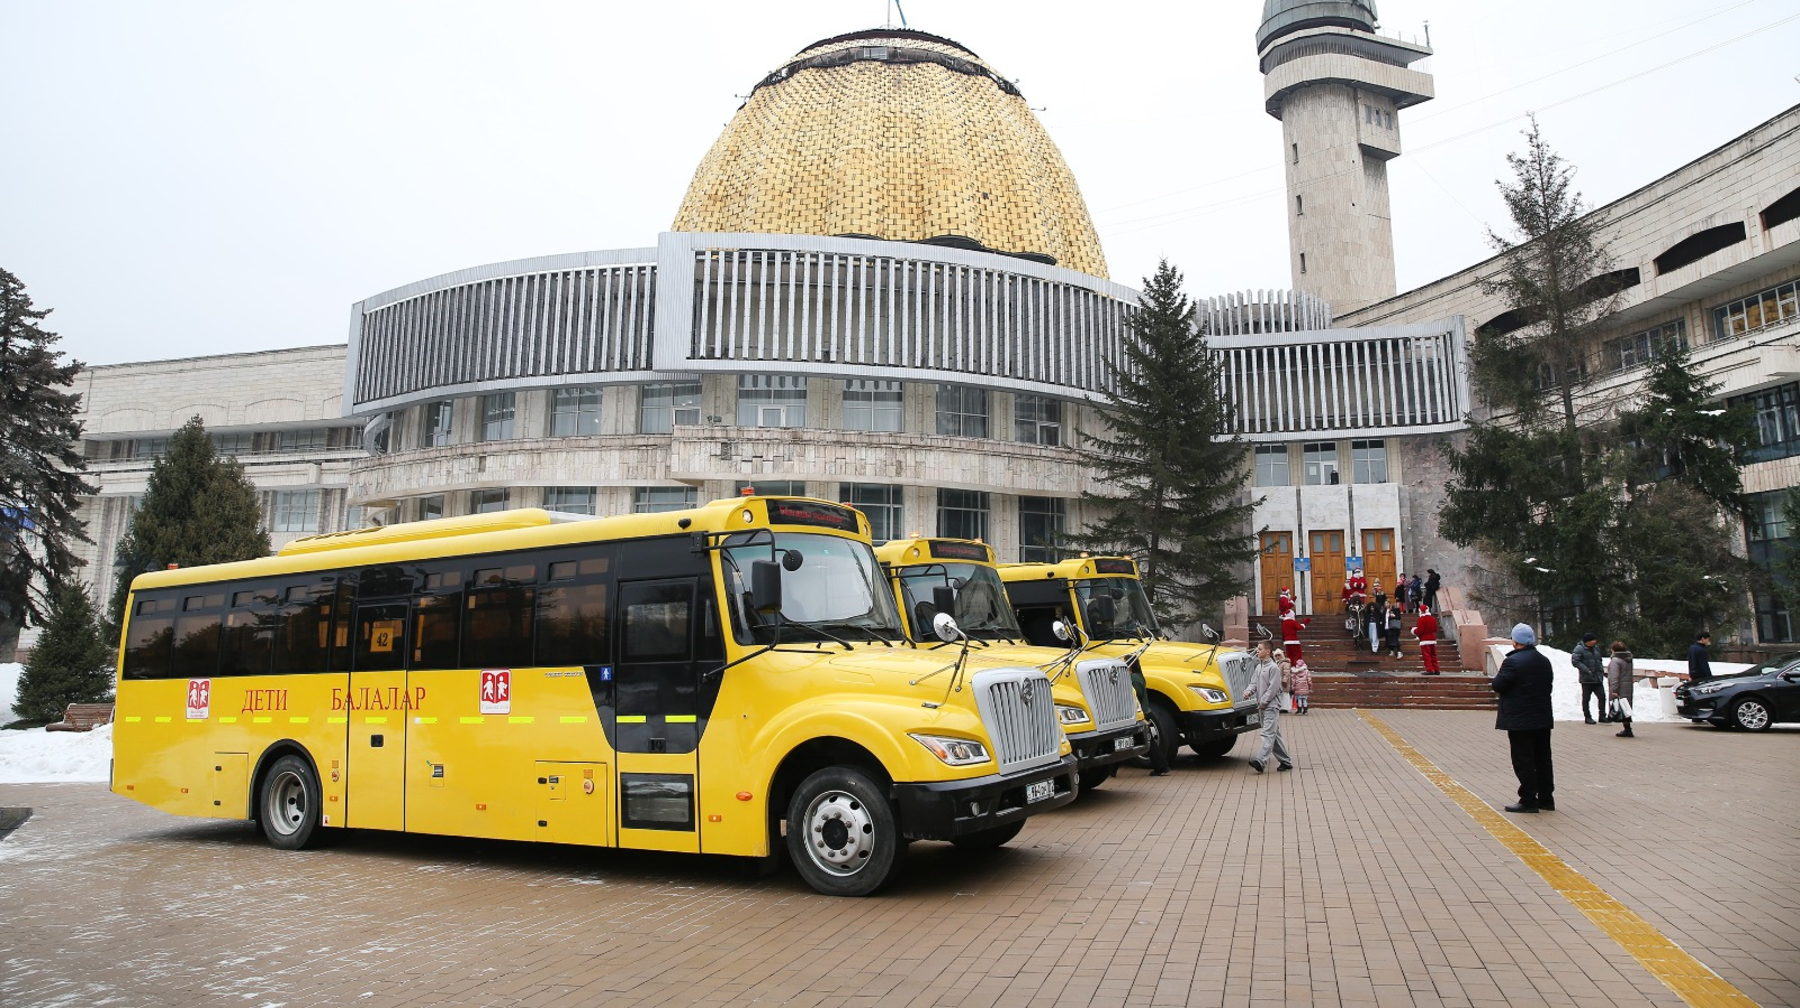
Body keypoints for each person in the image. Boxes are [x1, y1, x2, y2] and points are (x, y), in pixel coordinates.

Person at [1491, 623, 1555, 813]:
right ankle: (1546, 798)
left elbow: (1498, 685)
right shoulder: (1544, 661)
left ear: (1515, 641)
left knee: (1523, 759)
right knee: (1543, 758)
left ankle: (1528, 799)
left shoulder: (1513, 662)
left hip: (1520, 720)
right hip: (1542, 718)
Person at [1247, 641, 1294, 773]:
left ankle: (1260, 761)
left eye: (1260, 649)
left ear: (1268, 651)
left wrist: (1263, 702)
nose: (1257, 651)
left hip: (1271, 706)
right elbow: (1253, 683)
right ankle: (1285, 761)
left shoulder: (1273, 668)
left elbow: (1273, 689)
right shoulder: (1259, 667)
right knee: (1274, 734)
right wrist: (1248, 691)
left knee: (1267, 734)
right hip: (1262, 705)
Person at [1129, 658, 1170, 776]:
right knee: (1148, 741)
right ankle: (1162, 766)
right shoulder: (1139, 677)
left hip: (1139, 713)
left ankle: (1161, 766)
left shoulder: (1133, 679)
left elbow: (1134, 695)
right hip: (1144, 712)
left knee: (1148, 742)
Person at [1571, 631, 1608, 724]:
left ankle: (1602, 716)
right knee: (1586, 698)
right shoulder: (1579, 649)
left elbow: (1599, 660)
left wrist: (1601, 671)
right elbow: (1575, 661)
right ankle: (1587, 717)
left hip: (1597, 678)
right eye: (1592, 640)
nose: (1595, 641)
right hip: (1586, 678)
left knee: (1602, 696)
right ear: (1587, 641)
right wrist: (1587, 670)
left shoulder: (1596, 649)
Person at [1607, 640, 1636, 738]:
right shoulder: (1628, 659)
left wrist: (1614, 690)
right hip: (1627, 687)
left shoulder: (1615, 661)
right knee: (1626, 708)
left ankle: (1627, 729)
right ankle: (1627, 728)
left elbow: (1614, 676)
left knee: (1621, 708)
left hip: (1620, 688)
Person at [1412, 605, 1440, 674]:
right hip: (1432, 639)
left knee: (1426, 655)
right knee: (1433, 655)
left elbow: (1420, 631)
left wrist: (1414, 630)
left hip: (1425, 640)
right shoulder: (1432, 618)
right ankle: (1436, 669)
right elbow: (1435, 629)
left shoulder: (1421, 619)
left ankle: (1429, 669)